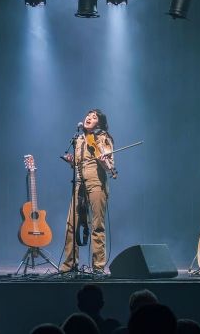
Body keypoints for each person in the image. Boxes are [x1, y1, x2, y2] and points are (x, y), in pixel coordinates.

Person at [60, 109, 116, 275]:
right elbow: (78, 164)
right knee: (71, 224)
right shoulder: (78, 139)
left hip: (96, 183)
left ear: (98, 123)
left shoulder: (103, 138)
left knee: (97, 225)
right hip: (79, 184)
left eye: (94, 117)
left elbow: (109, 166)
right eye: (88, 115)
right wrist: (71, 162)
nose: (89, 118)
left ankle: (98, 267)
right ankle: (69, 265)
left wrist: (103, 160)